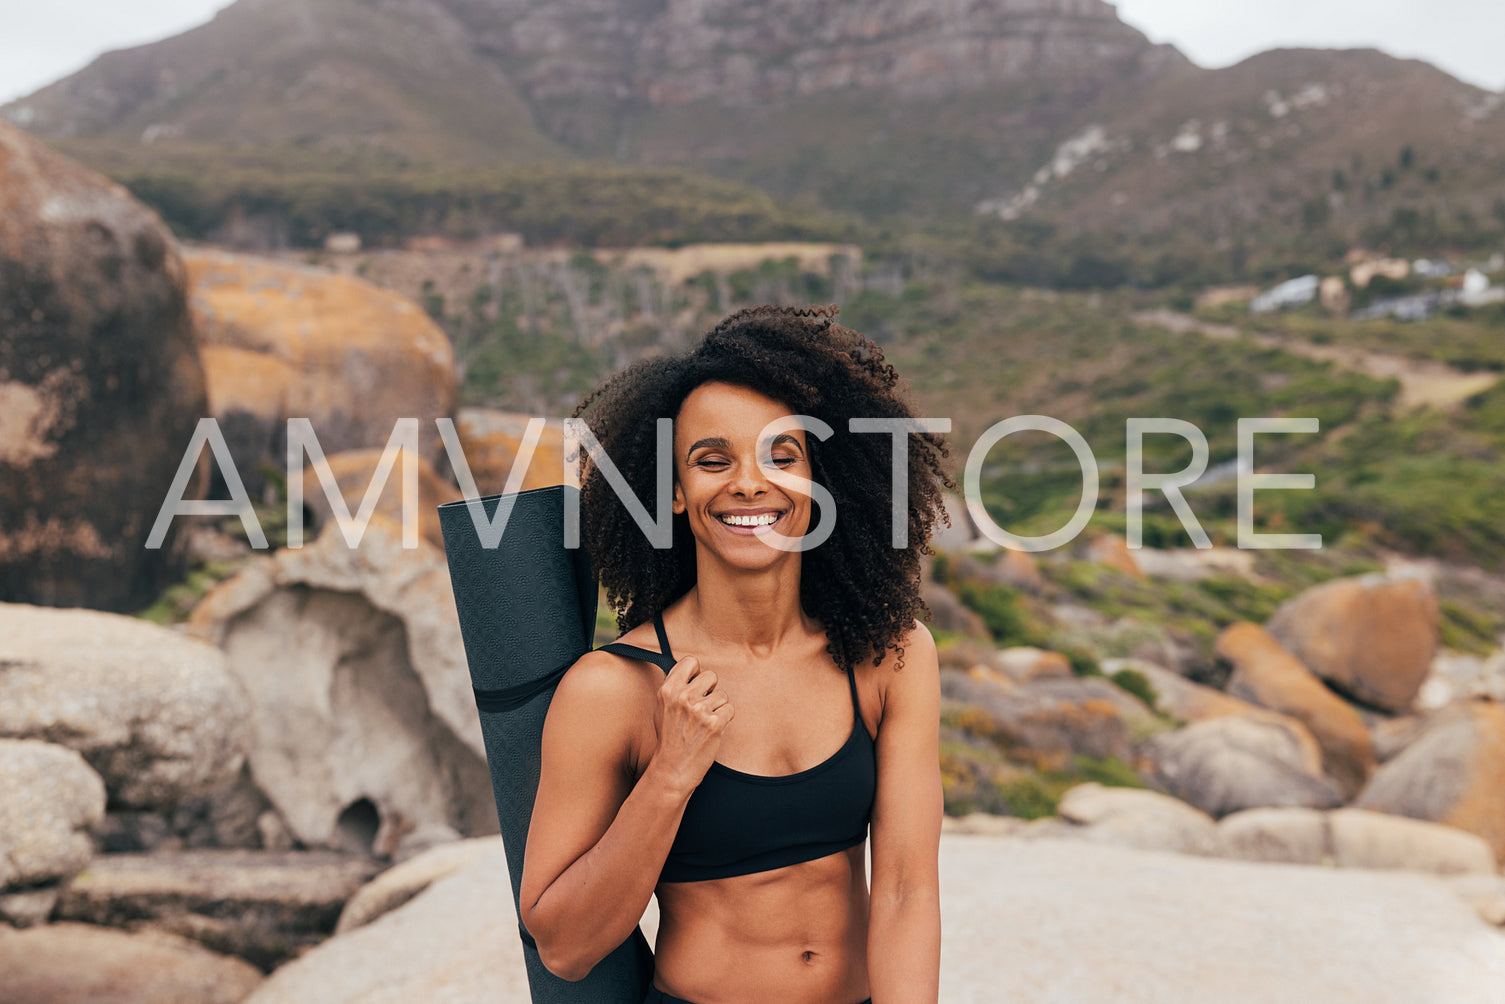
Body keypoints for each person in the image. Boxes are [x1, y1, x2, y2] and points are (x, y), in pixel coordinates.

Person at [519, 304, 950, 1004]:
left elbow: (904, 892)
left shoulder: (889, 657)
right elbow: (565, 948)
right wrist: (669, 775)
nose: (749, 483)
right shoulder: (613, 689)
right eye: (712, 460)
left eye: (782, 456)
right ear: (677, 495)